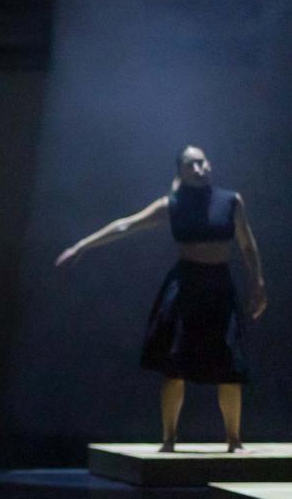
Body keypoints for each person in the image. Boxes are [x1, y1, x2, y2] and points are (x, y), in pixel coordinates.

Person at [55, 145, 267, 451]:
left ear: (210, 164)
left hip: (219, 285)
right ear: (180, 171)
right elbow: (126, 225)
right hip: (186, 285)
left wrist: (258, 281)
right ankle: (169, 439)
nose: (198, 169)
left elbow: (247, 244)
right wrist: (81, 246)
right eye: (191, 165)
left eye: (202, 163)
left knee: (229, 364)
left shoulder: (230, 201)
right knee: (174, 363)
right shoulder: (172, 204)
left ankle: (234, 440)